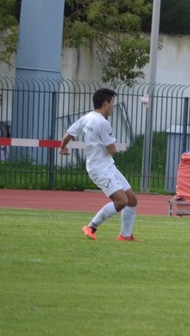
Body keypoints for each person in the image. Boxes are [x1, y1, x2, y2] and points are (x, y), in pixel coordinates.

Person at [59, 88, 138, 241]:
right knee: (122, 201)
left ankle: (125, 235)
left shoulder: (87, 117)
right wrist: (112, 144)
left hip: (107, 166)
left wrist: (62, 148)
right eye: (112, 103)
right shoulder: (103, 123)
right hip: (100, 169)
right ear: (105, 104)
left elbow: (69, 134)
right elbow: (112, 150)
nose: (113, 106)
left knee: (132, 200)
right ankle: (91, 227)